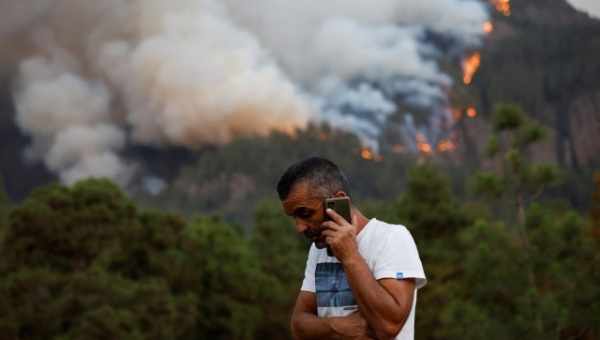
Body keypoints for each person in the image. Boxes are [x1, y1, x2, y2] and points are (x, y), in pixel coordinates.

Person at [277, 157, 426, 340]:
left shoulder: (391, 238)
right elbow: (299, 325)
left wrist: (350, 256)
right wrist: (338, 327)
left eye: (305, 213)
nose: (300, 227)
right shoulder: (319, 249)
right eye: (294, 217)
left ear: (338, 200)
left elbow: (388, 326)